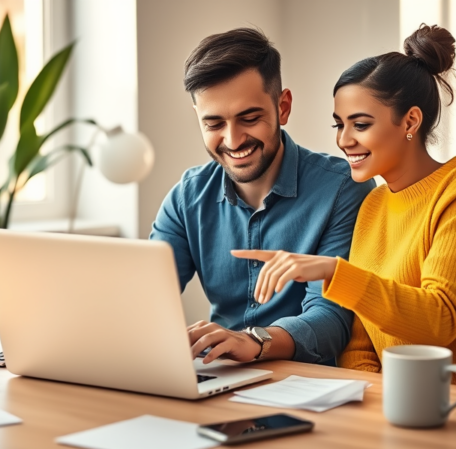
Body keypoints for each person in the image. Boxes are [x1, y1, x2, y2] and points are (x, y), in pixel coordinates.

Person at [234, 24, 456, 396]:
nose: (343, 140)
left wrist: (334, 271)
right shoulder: (373, 204)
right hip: (408, 402)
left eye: (360, 124)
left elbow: (439, 320)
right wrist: (370, 400)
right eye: (339, 124)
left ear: (410, 121)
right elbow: (360, 344)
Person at [149, 28, 375, 365]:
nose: (233, 140)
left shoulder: (344, 189)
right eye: (214, 124)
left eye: (250, 118)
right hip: (220, 373)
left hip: (309, 380)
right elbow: (144, 298)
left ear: (283, 107)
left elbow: (332, 320)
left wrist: (254, 341)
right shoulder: (187, 197)